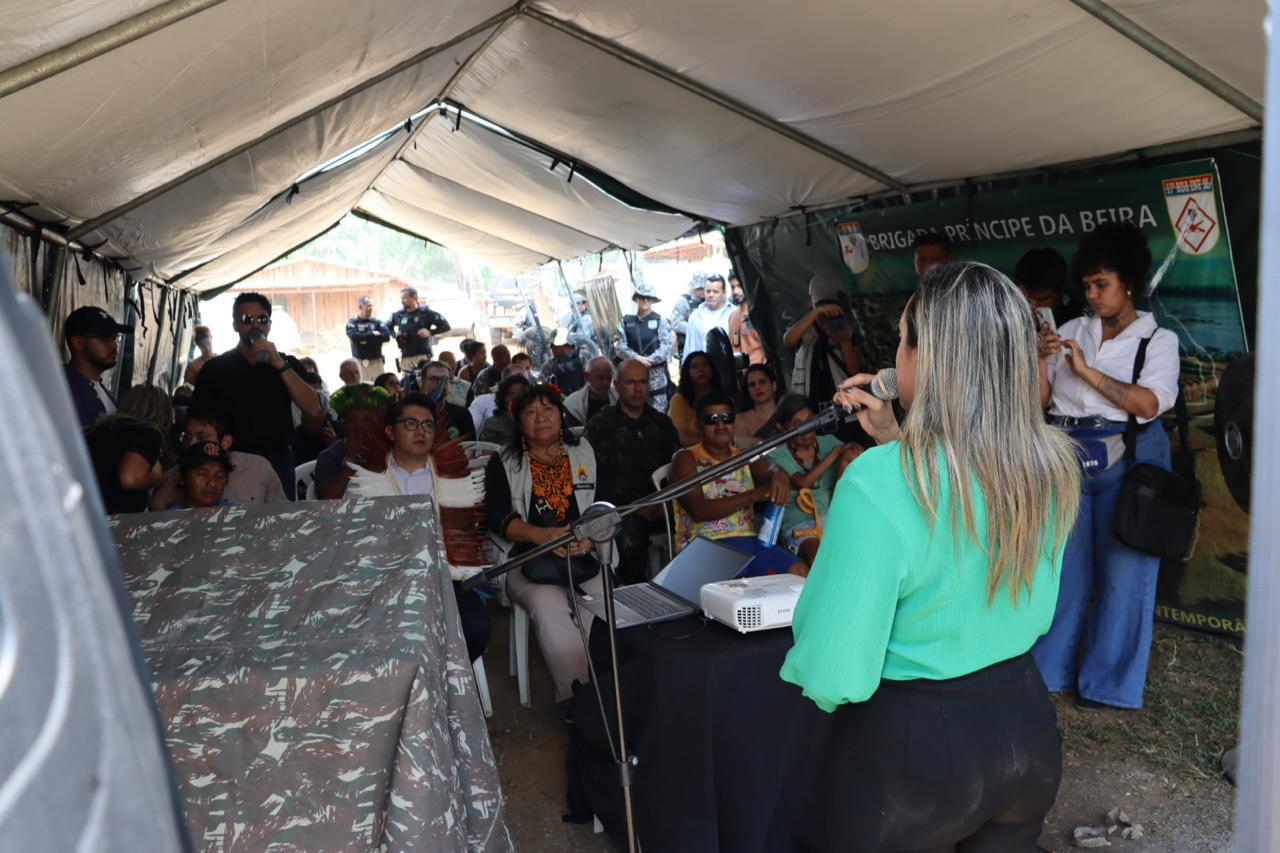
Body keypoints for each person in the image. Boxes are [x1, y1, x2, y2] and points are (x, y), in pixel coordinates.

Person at [781, 261, 1082, 851]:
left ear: (931, 357)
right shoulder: (1049, 463)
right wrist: (893, 438)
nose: (893, 358)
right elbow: (961, 510)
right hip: (1026, 726)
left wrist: (888, 458)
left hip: (916, 754)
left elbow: (832, 672)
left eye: (901, 340)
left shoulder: (877, 483)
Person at [1032, 222, 1181, 711]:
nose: (1092, 295)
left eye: (1102, 284)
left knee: (1125, 572)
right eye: (1087, 285)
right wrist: (1038, 360)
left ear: (1129, 282)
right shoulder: (1071, 331)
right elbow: (1042, 401)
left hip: (1130, 456)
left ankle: (1108, 685)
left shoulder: (1157, 340)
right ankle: (1048, 671)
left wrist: (1086, 371)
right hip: (1067, 454)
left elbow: (1147, 403)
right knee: (1062, 569)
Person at [484, 383, 608, 703]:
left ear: (561, 415)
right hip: (527, 560)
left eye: (548, 408)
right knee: (549, 608)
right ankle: (578, 700)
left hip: (584, 556)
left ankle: (606, 693)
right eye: (530, 411)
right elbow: (497, 517)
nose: (540, 417)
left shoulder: (586, 452)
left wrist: (590, 540)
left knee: (602, 607)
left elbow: (607, 505)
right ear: (519, 423)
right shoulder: (504, 461)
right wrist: (541, 536)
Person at [190, 292, 323, 499]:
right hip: (234, 460)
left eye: (262, 319)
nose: (255, 325)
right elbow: (197, 422)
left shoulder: (286, 363)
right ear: (235, 325)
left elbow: (314, 409)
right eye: (246, 319)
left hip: (279, 458)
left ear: (269, 324)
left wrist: (278, 363)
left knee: (282, 517)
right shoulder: (215, 369)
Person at [670, 391, 804, 576]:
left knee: (798, 570)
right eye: (712, 419)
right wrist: (754, 495)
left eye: (727, 418)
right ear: (697, 424)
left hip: (748, 544)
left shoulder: (743, 455)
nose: (720, 425)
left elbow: (769, 471)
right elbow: (699, 510)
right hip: (703, 546)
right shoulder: (685, 458)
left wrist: (778, 473)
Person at [584, 359, 680, 584]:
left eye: (643, 382)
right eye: (631, 383)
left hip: (663, 504)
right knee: (626, 536)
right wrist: (633, 506)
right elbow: (597, 478)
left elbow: (676, 469)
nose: (638, 389)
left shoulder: (662, 424)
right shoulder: (601, 426)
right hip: (623, 508)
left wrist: (664, 503)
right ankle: (634, 594)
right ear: (616, 385)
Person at [765, 394, 861, 568]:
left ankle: (846, 515)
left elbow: (854, 455)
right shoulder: (778, 453)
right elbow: (803, 483)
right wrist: (834, 453)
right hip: (799, 524)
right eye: (798, 424)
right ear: (782, 427)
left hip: (832, 516)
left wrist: (854, 448)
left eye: (810, 420)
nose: (807, 428)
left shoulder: (828, 441)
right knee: (819, 561)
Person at [149, 406, 288, 509]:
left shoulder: (258, 468)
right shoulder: (173, 478)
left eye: (201, 437)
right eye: (188, 437)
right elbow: (156, 511)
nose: (191, 444)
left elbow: (283, 513)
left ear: (226, 442)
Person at [83, 385, 172, 514]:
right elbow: (129, 478)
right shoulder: (149, 432)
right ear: (164, 414)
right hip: (112, 517)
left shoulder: (99, 428)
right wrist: (157, 479)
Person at [784, 272, 862, 413]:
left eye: (831, 303)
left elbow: (854, 371)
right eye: (821, 303)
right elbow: (788, 341)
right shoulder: (806, 328)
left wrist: (843, 339)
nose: (827, 310)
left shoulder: (847, 326)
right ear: (811, 302)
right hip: (811, 407)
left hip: (844, 406)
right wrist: (816, 313)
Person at [313, 384, 395, 500]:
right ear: (343, 422)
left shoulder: (391, 451)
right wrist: (350, 459)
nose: (359, 426)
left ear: (379, 421)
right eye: (351, 419)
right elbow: (327, 503)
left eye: (367, 419)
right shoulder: (329, 457)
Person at [63, 305, 130, 427]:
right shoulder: (64, 392)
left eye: (115, 338)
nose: (114, 345)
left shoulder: (98, 388)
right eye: (105, 339)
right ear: (78, 343)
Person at [613, 281, 674, 412]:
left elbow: (666, 346)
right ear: (636, 298)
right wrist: (637, 358)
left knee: (658, 415)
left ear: (653, 300)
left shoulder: (660, 321)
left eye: (648, 297)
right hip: (631, 377)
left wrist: (650, 360)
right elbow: (619, 346)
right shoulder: (625, 322)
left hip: (656, 377)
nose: (645, 300)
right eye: (642, 297)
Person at [1015, 247, 1082, 328]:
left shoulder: (1080, 320)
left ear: (1061, 292)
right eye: (1026, 299)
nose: (1032, 307)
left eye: (1043, 300)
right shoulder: (1008, 313)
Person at [389, 286, 450, 372]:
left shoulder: (426, 313)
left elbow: (446, 326)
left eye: (404, 298)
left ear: (414, 297)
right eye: (401, 299)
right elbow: (387, 327)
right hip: (405, 356)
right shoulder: (398, 315)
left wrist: (430, 332)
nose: (402, 301)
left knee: (424, 378)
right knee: (407, 379)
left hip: (422, 355)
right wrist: (395, 335)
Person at [668, 351, 721, 447]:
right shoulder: (679, 400)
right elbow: (682, 439)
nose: (700, 370)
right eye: (694, 367)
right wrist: (716, 440)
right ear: (687, 373)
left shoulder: (722, 397)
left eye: (704, 365)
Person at [418, 361, 477, 443]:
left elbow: (470, 447)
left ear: (450, 383)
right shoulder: (411, 414)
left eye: (444, 379)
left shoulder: (462, 415)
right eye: (434, 379)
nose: (440, 384)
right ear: (423, 382)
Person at [681, 274, 734, 362]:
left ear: (724, 293)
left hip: (728, 366)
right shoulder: (695, 316)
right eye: (708, 291)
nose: (711, 295)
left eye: (715, 292)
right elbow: (688, 348)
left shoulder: (733, 314)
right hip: (702, 367)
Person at [471, 362, 530, 433]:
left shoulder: (533, 405)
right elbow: (472, 425)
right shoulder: (483, 401)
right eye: (511, 393)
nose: (516, 397)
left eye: (521, 391)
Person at [345, 295, 392, 380]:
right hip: (360, 363)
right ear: (360, 307)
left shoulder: (377, 322)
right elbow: (355, 337)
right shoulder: (352, 323)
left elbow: (386, 337)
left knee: (380, 385)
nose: (371, 308)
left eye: (371, 306)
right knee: (363, 386)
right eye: (368, 306)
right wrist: (372, 334)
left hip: (377, 362)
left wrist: (364, 339)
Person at [175, 441, 233, 509]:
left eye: (220, 476)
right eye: (202, 474)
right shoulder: (168, 514)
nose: (212, 483)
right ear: (182, 477)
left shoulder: (238, 513)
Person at [478, 373, 532, 445]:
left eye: (520, 393)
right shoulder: (492, 424)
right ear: (503, 397)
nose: (515, 398)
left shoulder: (536, 421)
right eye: (510, 394)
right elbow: (484, 449)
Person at [734, 363, 780, 446]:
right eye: (752, 384)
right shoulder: (741, 419)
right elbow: (740, 444)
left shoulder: (786, 411)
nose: (757, 387)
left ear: (774, 385)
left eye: (762, 382)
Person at [563, 356, 616, 427]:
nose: (605, 383)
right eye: (600, 378)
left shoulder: (621, 397)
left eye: (609, 378)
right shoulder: (573, 404)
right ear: (586, 376)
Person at [727, 274, 766, 366]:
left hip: (759, 369)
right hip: (738, 371)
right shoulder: (732, 316)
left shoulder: (758, 313)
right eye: (732, 287)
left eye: (739, 286)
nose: (735, 291)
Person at [669, 276, 705, 360]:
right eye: (703, 289)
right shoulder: (683, 301)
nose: (705, 292)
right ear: (696, 288)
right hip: (687, 344)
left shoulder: (706, 301)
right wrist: (695, 328)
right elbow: (675, 323)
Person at [544, 328, 586, 396]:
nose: (551, 347)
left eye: (554, 344)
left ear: (565, 344)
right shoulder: (552, 363)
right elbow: (540, 379)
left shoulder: (583, 356)